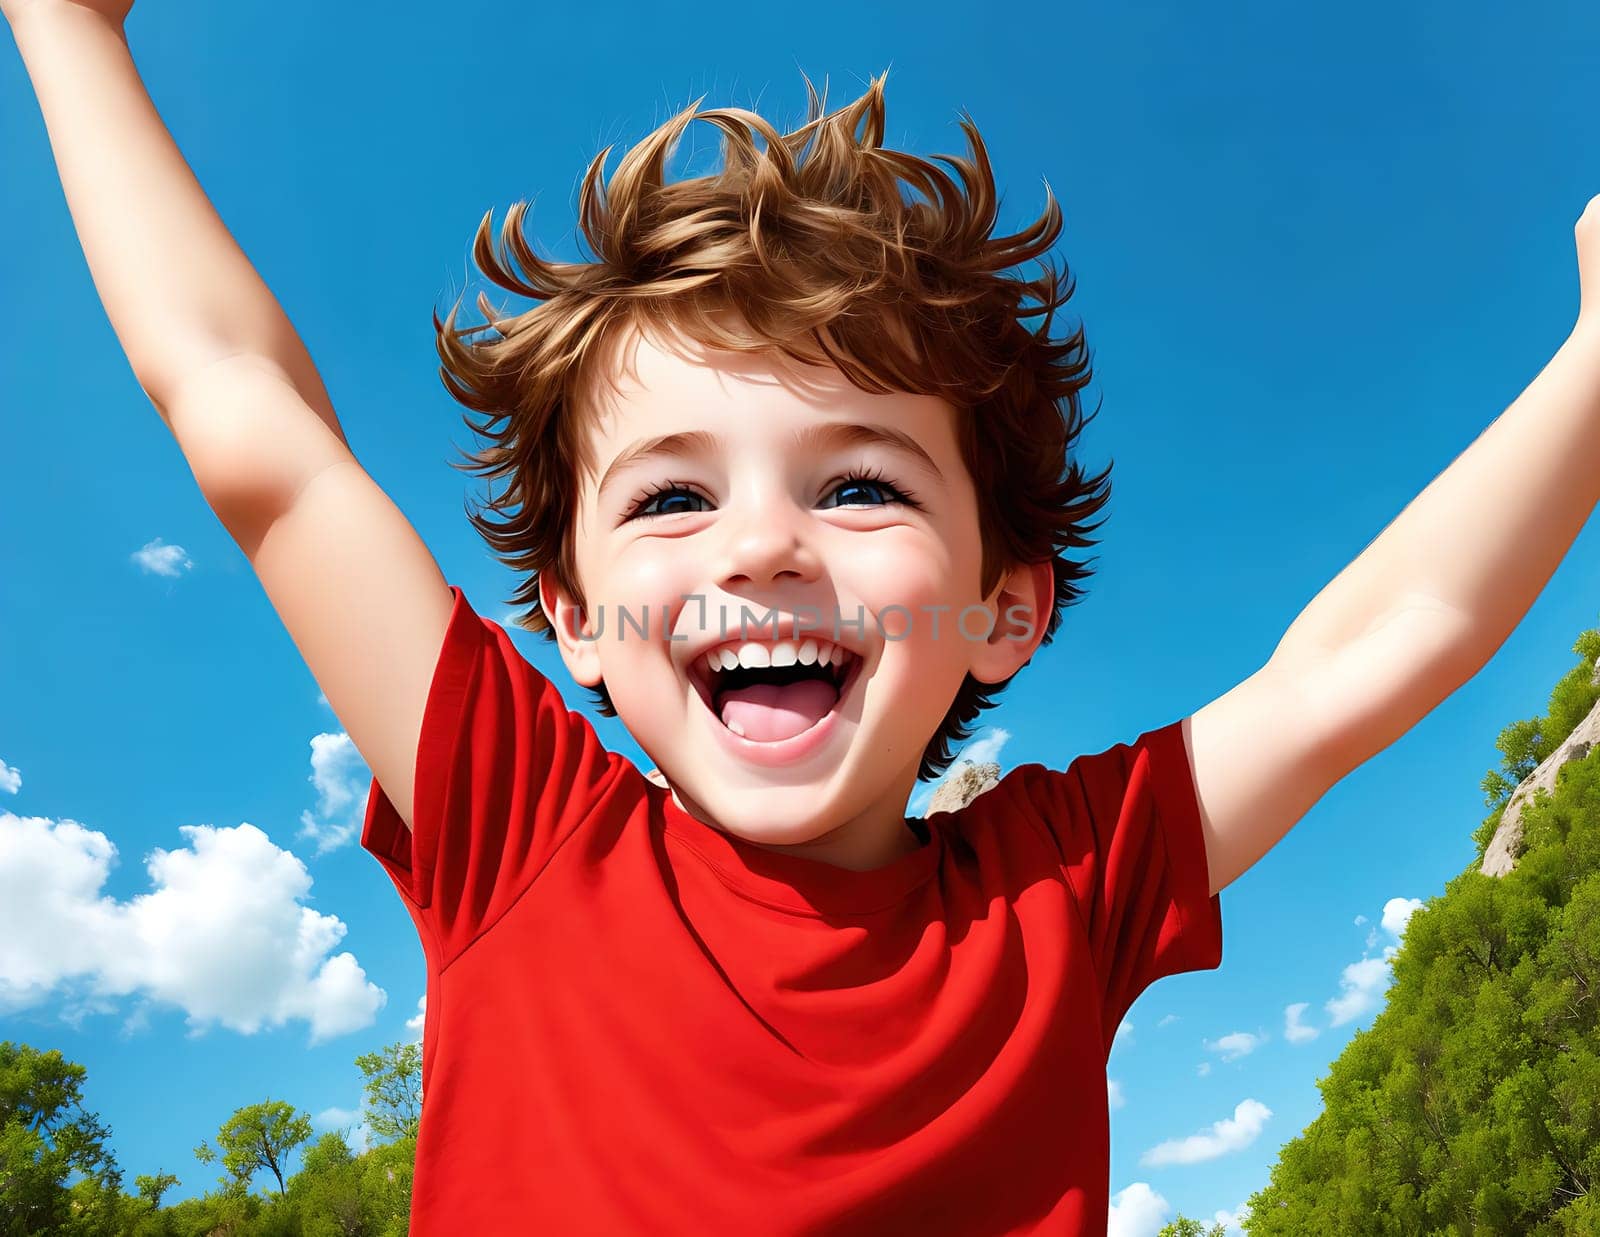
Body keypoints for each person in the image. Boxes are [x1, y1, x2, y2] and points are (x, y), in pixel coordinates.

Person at [12, 2, 1600, 1231]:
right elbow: (249, 424)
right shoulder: (521, 827)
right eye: (670, 496)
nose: (764, 543)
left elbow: (1379, 647)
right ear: (571, 618)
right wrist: (66, 30)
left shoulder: (1063, 888)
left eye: (859, 489)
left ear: (1006, 610)